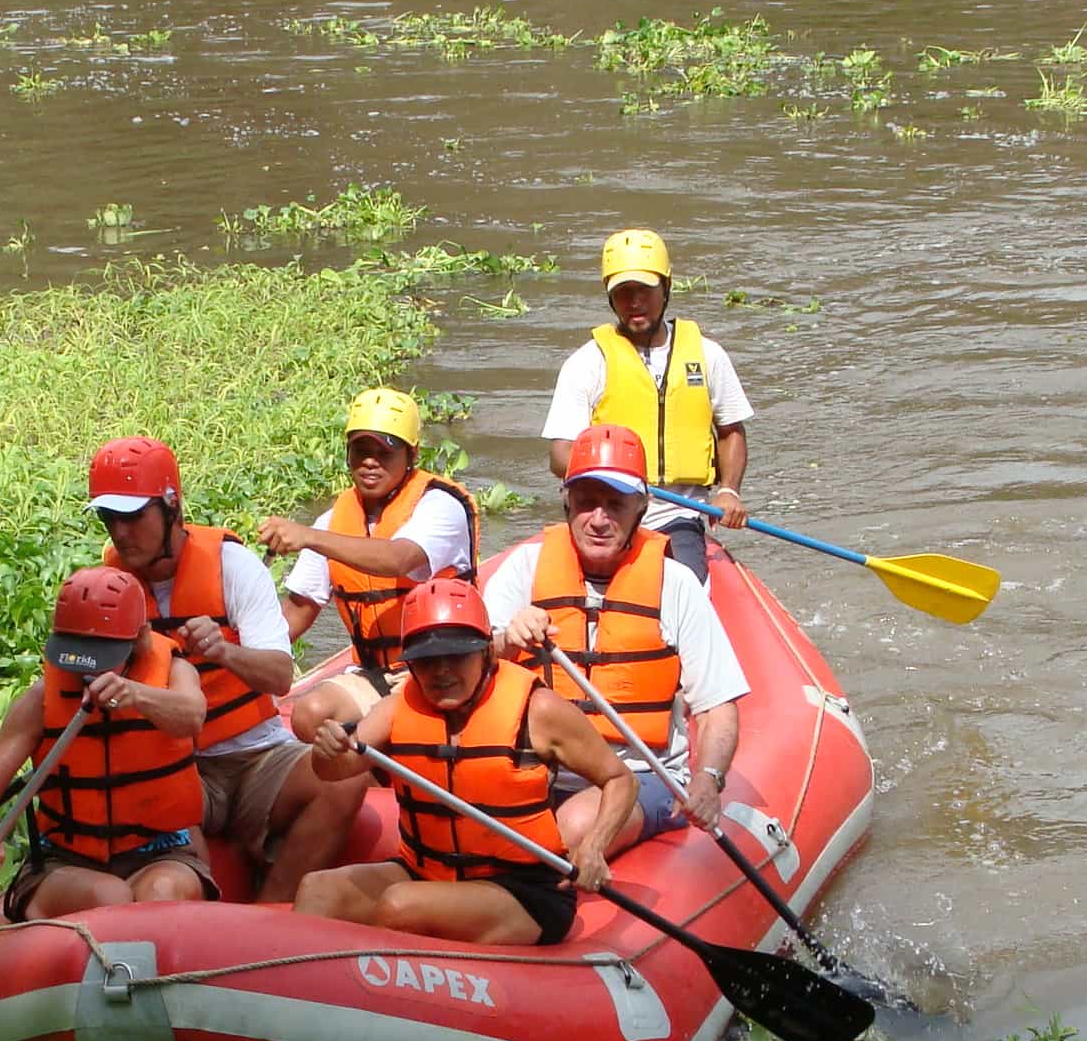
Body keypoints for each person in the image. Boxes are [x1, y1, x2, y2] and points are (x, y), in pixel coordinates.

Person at [89, 435, 367, 903]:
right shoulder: (109, 584)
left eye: (134, 516)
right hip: (173, 764)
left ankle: (274, 911)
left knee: (347, 775)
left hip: (255, 755)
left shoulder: (230, 565)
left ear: (170, 508)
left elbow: (280, 675)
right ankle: (203, 909)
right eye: (109, 518)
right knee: (148, 797)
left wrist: (224, 651)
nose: (120, 532)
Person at [295, 579, 636, 947]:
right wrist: (326, 751)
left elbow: (620, 779)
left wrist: (594, 845)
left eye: (456, 656)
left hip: (523, 889)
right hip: (425, 872)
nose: (440, 671)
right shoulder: (398, 706)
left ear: (487, 653)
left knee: (400, 906)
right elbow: (335, 770)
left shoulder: (540, 710)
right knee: (318, 890)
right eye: (426, 661)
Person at [488, 424, 749, 853]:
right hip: (538, 765)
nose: (599, 518)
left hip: (644, 775)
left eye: (615, 504)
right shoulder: (525, 569)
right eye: (587, 502)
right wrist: (505, 641)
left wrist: (710, 779)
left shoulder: (675, 583)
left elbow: (718, 707)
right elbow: (471, 665)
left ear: (640, 509)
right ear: (567, 502)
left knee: (573, 825)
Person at [0, 566, 213, 921]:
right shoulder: (40, 701)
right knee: (110, 897)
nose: (87, 669)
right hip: (66, 859)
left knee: (160, 893)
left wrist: (136, 694)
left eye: (102, 653)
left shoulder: (174, 673)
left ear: (140, 637)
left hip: (159, 851)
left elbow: (192, 715)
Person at [259, 387, 480, 741]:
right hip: (379, 671)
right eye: (361, 451)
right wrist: (236, 653)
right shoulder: (333, 522)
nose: (370, 462)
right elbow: (299, 611)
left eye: (384, 452)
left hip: (446, 666)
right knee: (309, 715)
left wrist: (309, 537)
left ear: (412, 455)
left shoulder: (441, 506)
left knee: (403, 723)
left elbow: (399, 558)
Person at [542, 226, 756, 582]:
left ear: (667, 287)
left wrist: (729, 491)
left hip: (677, 516)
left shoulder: (708, 355)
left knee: (686, 588)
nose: (635, 302)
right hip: (605, 513)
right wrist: (620, 476)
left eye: (645, 290)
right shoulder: (587, 362)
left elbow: (731, 430)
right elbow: (560, 455)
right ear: (610, 298)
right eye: (624, 293)